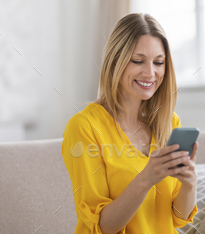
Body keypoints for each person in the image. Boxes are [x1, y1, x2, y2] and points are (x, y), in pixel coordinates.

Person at [61, 13, 198, 234]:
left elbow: (179, 218)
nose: (150, 73)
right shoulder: (84, 127)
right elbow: (103, 227)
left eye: (159, 62)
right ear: (116, 60)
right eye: (138, 61)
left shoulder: (169, 123)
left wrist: (190, 183)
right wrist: (146, 179)